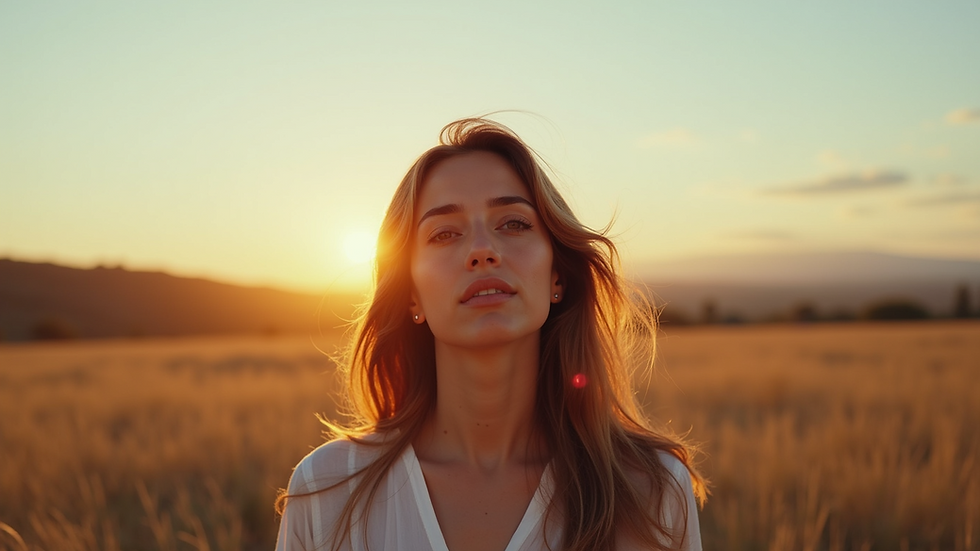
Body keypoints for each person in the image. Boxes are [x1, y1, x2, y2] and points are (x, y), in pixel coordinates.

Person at [275, 118, 706, 551]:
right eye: (445, 233)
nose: (482, 250)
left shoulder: (650, 489)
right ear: (412, 295)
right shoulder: (328, 489)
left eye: (513, 224)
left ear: (557, 275)